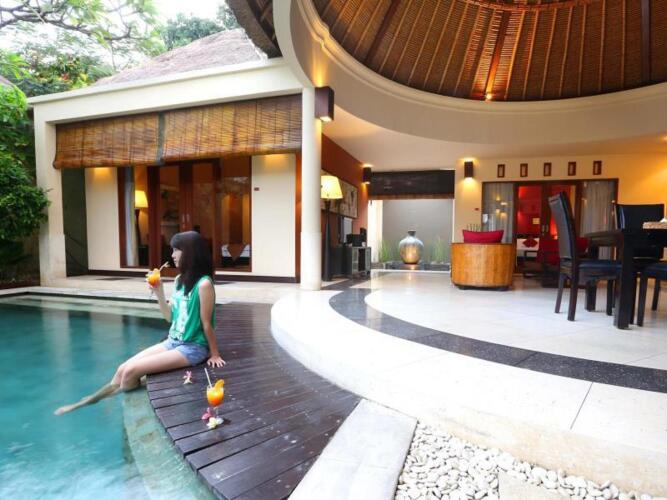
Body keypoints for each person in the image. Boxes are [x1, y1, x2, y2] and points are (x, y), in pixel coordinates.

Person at [55, 231, 225, 415]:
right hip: (172, 341)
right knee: (122, 369)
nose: (173, 255)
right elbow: (169, 317)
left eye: (176, 250)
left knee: (130, 372)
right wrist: (159, 292)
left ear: (190, 252)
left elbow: (206, 323)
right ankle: (92, 399)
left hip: (192, 347)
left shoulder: (204, 284)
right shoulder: (179, 281)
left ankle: (102, 399)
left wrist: (215, 354)